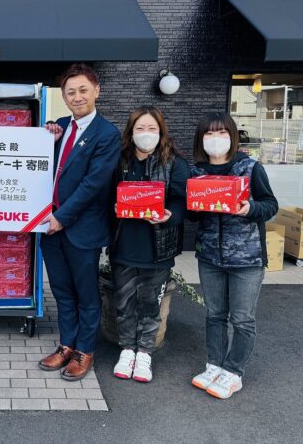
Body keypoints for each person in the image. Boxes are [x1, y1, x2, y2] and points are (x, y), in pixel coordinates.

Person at [38, 64, 121, 381]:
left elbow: (93, 184)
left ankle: (85, 351)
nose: (77, 96)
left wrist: (61, 217)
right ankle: (66, 345)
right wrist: (46, 135)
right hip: (50, 228)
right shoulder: (58, 127)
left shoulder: (107, 134)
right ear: (63, 96)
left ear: (96, 91)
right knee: (61, 291)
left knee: (86, 294)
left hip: (80, 228)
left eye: (83, 90)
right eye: (70, 92)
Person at [190, 112, 278, 399]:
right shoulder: (197, 173)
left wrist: (249, 209)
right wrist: (194, 207)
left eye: (222, 133)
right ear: (201, 139)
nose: (216, 140)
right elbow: (193, 216)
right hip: (210, 257)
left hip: (247, 259)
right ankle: (214, 364)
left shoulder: (250, 168)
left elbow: (270, 205)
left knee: (242, 318)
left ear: (232, 136)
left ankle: (233, 371)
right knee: (214, 314)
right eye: (209, 134)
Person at [109, 106, 189, 383]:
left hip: (158, 248)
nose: (146, 134)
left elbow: (183, 202)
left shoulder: (175, 163)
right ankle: (127, 350)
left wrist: (170, 216)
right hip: (124, 246)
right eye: (140, 129)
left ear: (161, 132)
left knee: (151, 305)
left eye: (152, 129)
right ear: (131, 133)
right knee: (124, 303)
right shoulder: (119, 161)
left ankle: (144, 353)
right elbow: (105, 195)